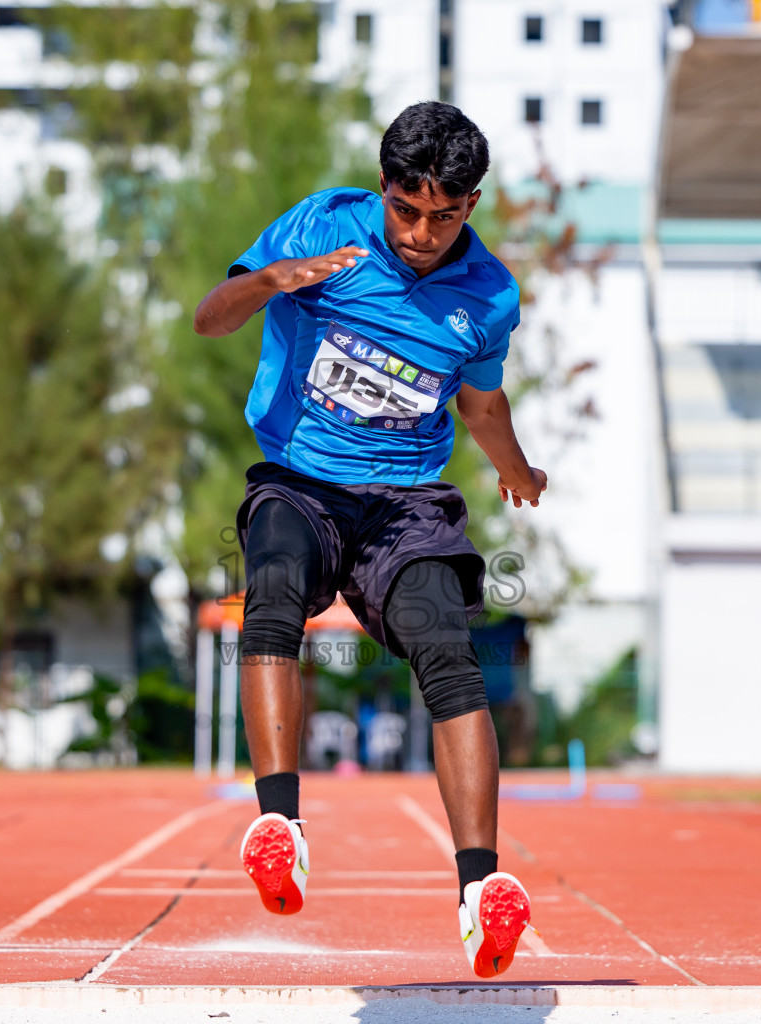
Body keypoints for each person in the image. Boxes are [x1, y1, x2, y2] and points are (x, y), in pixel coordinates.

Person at [192, 101, 546, 979]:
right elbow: (211, 318)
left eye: (447, 214)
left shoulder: (490, 293)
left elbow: (482, 405)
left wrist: (520, 471)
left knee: (449, 649)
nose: (423, 233)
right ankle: (278, 825)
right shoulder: (324, 225)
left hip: (407, 503)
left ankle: (480, 890)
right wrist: (277, 278)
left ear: (472, 203)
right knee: (271, 587)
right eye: (407, 210)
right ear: (384, 188)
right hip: (302, 479)